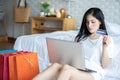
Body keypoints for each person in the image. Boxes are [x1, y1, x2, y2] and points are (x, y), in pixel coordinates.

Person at [32, 7, 114, 80]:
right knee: (55, 65)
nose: (89, 25)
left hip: (93, 74)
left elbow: (105, 66)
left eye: (93, 22)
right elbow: (73, 57)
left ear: (100, 22)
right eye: (87, 22)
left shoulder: (106, 39)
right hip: (77, 69)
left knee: (66, 69)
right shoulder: (81, 38)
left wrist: (105, 47)